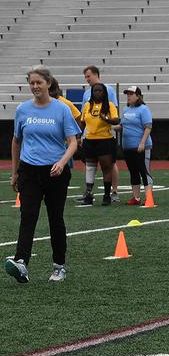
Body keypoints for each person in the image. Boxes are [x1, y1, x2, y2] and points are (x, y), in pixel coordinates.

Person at [6, 66, 80, 283]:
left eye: (39, 82)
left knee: (55, 219)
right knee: (27, 217)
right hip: (29, 171)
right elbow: (16, 141)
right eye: (32, 83)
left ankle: (59, 266)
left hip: (56, 172)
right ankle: (21, 263)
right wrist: (14, 173)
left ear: (48, 83)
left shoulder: (62, 109)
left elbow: (73, 141)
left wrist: (62, 162)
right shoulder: (22, 110)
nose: (35, 86)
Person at [82, 65, 121, 202]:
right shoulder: (87, 103)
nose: (97, 93)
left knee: (107, 166)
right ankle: (88, 194)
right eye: (95, 91)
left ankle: (108, 194)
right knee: (90, 167)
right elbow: (82, 120)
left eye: (99, 91)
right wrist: (80, 136)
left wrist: (107, 119)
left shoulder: (109, 103)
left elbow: (116, 119)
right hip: (89, 139)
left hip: (105, 139)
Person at [119, 86, 153, 206]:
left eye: (131, 94)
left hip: (141, 146)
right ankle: (136, 197)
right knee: (133, 171)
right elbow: (123, 126)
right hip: (128, 146)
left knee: (144, 172)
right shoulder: (126, 109)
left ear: (138, 96)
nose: (128, 96)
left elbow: (148, 127)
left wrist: (142, 142)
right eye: (127, 94)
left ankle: (149, 198)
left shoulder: (143, 109)